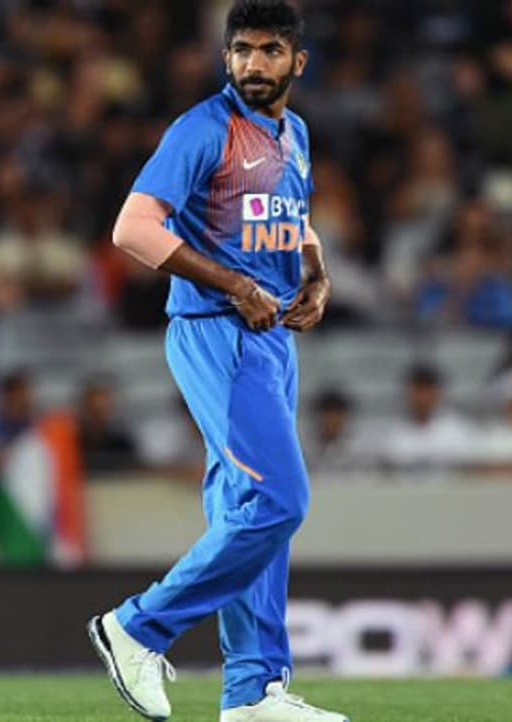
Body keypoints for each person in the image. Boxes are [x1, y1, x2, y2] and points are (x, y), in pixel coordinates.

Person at [87, 4, 347, 721]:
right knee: (280, 500)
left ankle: (253, 694)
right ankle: (136, 628)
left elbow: (288, 215)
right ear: (225, 57)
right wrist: (235, 284)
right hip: (220, 332)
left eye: (270, 50)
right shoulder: (203, 129)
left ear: (298, 61)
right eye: (241, 50)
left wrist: (317, 272)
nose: (253, 64)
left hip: (269, 337)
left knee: (248, 509)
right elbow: (133, 229)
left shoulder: (293, 133)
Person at [382, 364, 475, 474]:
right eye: (417, 390)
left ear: (438, 393)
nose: (422, 397)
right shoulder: (391, 434)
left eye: (428, 390)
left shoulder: (459, 432)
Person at [76, 377, 140, 474]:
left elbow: (132, 469)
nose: (99, 406)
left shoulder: (121, 439)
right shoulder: (74, 437)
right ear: (85, 403)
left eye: (104, 401)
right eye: (94, 401)